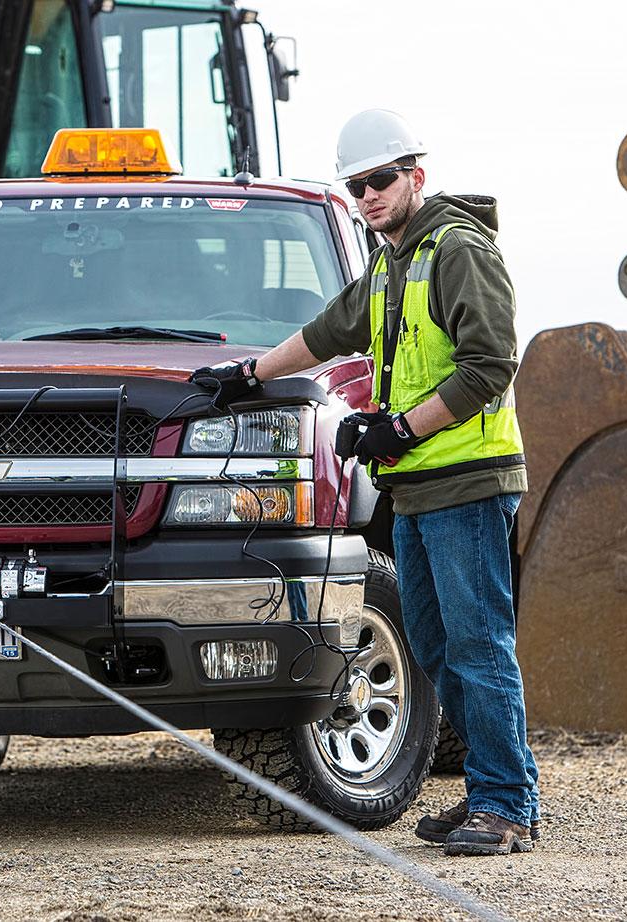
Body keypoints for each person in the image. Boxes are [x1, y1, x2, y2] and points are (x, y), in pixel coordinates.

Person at [190, 109, 540, 856]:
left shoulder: (458, 250)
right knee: (436, 648)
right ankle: (490, 788)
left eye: (381, 178)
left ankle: (507, 805)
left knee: (478, 645)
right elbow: (327, 332)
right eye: (357, 185)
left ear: (416, 175)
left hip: (469, 484)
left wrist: (400, 430)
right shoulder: (389, 265)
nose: (369, 195)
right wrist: (247, 375)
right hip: (416, 488)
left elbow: (489, 365)